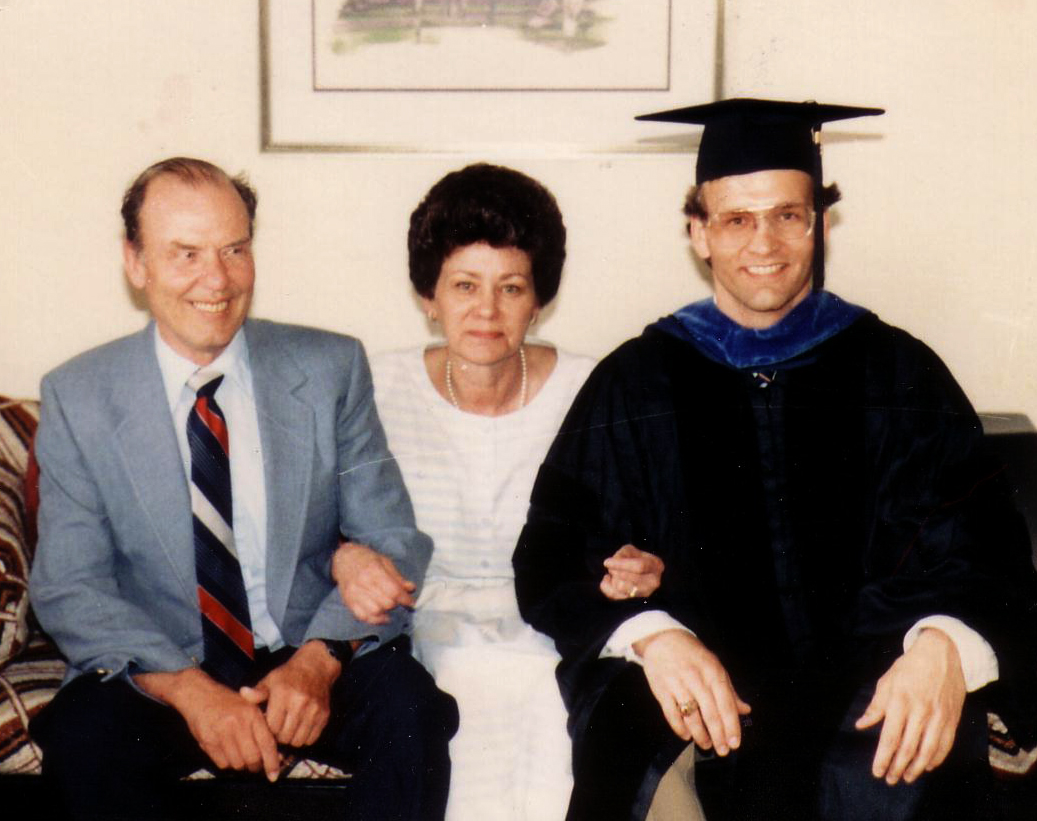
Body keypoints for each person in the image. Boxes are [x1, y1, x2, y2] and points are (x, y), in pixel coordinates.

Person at [512, 99, 1037, 820]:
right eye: (735, 219)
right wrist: (650, 634)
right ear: (698, 231)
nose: (764, 241)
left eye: (787, 214)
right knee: (638, 764)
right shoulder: (637, 382)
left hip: (870, 676)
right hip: (697, 677)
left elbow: (987, 549)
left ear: (819, 221)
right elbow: (551, 554)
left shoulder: (897, 373)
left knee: (904, 769)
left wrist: (944, 646)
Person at [29, 157, 458, 821]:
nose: (218, 279)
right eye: (186, 253)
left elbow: (391, 538)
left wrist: (319, 662)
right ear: (135, 262)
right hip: (162, 663)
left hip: (306, 647)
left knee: (413, 712)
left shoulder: (327, 368)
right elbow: (70, 586)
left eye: (235, 249)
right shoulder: (79, 395)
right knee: (85, 738)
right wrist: (190, 690)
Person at [331, 163, 666, 820]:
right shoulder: (374, 388)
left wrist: (642, 563)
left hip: (549, 634)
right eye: (463, 285)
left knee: (549, 714)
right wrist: (344, 553)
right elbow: (318, 520)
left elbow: (641, 526)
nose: (486, 311)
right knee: (469, 709)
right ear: (428, 294)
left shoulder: (588, 388)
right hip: (426, 631)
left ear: (538, 298)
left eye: (510, 287)